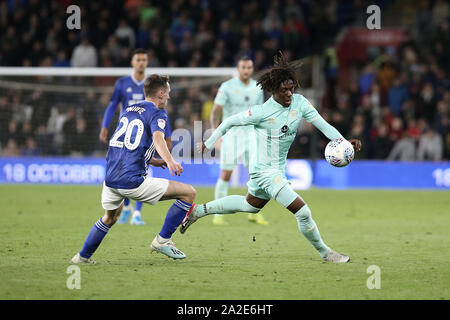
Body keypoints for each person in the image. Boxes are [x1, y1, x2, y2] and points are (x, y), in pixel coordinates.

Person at [181, 53, 362, 263]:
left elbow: (323, 126)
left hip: (276, 169)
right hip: (264, 172)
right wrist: (209, 143)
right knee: (303, 212)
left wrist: (344, 142)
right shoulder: (262, 112)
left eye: (291, 88)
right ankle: (326, 253)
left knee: (250, 205)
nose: (289, 93)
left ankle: (198, 211)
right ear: (274, 89)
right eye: (284, 89)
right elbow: (229, 121)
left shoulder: (300, 103)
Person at [70, 74, 196, 264]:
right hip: (132, 180)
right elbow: (157, 138)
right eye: (168, 93)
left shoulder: (129, 109)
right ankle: (162, 241)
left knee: (110, 218)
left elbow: (128, 145)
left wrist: (153, 161)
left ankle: (82, 257)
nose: (169, 97)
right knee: (188, 193)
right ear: (160, 93)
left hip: (110, 178)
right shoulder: (157, 112)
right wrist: (169, 161)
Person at [99, 48, 173, 225]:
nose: (141, 63)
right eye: (138, 60)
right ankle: (126, 208)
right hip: (127, 135)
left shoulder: (151, 85)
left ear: (147, 63)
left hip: (147, 134)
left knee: (141, 170)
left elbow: (160, 114)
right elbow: (112, 106)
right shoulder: (122, 83)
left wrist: (167, 135)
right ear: (132, 62)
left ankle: (136, 213)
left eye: (144, 60)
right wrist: (104, 126)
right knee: (127, 170)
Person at [209, 56, 268, 226]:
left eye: (249, 67)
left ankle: (254, 213)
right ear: (238, 68)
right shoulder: (227, 87)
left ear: (252, 69)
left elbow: (260, 113)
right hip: (231, 135)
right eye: (243, 67)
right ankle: (218, 214)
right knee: (226, 174)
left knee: (257, 175)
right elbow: (215, 111)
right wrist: (216, 133)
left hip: (252, 135)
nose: (246, 70)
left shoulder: (257, 87)